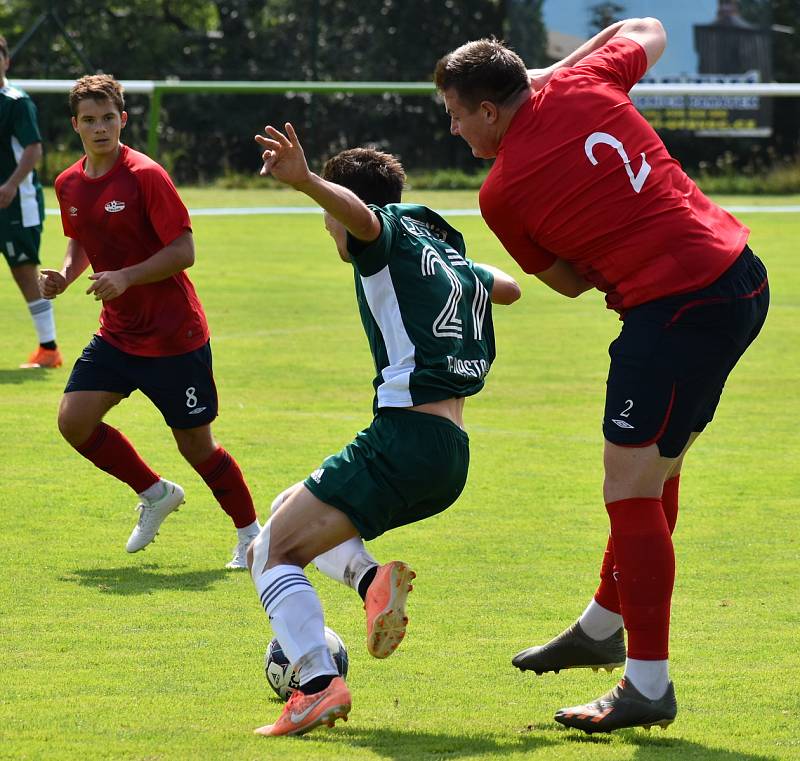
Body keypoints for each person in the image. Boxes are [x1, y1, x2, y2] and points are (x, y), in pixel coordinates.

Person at [435, 17, 769, 734]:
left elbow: (567, 284)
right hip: (738, 276)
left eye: (458, 116)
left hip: (673, 310)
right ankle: (600, 624)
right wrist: (561, 75)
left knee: (630, 485)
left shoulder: (500, 194)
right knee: (654, 470)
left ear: (489, 109)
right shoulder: (589, 78)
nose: (456, 131)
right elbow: (648, 27)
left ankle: (646, 684)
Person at [247, 123, 521, 737]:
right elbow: (509, 287)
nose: (327, 228)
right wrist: (450, 261)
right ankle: (372, 581)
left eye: (328, 215)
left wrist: (308, 183)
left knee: (270, 553)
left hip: (404, 439)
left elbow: (364, 221)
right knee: (284, 509)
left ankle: (315, 685)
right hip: (449, 452)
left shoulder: (376, 234)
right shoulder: (435, 250)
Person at [39, 74, 260, 568]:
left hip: (172, 336)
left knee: (196, 446)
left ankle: (251, 536)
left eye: (109, 118)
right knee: (74, 422)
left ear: (123, 119)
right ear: (75, 125)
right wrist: (66, 276)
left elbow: (185, 250)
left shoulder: (145, 175)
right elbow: (80, 241)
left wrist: (127, 277)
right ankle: (155, 493)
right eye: (90, 120)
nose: (101, 128)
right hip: (118, 334)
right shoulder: (68, 182)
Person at [0, 34, 61, 369]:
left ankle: (49, 349)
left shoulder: (16, 102)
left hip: (16, 205)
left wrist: (10, 185)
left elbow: (34, 149)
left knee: (24, 274)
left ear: (6, 61)